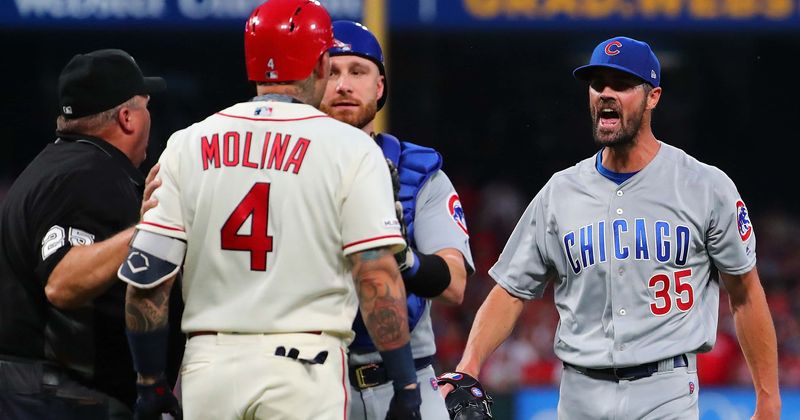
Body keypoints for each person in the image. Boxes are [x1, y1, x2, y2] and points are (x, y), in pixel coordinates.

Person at [444, 36, 781, 419]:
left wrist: (768, 399)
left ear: (653, 96)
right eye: (597, 84)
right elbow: (511, 291)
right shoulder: (561, 191)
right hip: (578, 393)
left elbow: (746, 294)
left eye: (621, 85)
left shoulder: (704, 185)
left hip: (666, 391)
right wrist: (468, 366)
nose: (605, 94)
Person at [117, 1, 422, 419]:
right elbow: (376, 274)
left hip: (210, 366)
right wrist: (406, 385)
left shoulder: (188, 143)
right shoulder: (350, 147)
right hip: (306, 368)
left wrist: (150, 381)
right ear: (320, 64)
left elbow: (148, 280)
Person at [0, 49, 168, 419]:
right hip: (56, 392)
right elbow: (62, 282)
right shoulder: (87, 174)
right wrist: (152, 227)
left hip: (38, 387)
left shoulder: (60, 163)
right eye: (145, 106)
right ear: (127, 118)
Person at [320, 20, 474, 420]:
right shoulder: (284, 168)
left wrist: (400, 257)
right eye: (330, 72)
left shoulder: (417, 172)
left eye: (357, 71)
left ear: (380, 86)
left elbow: (454, 284)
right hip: (316, 382)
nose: (343, 85)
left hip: (410, 378)